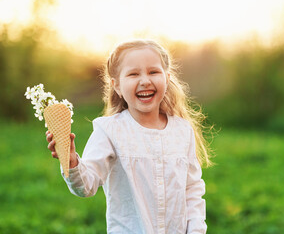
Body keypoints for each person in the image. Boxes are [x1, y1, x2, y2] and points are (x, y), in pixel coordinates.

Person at [46, 39, 212, 234]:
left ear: (166, 78)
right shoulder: (109, 130)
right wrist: (71, 160)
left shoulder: (182, 131)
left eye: (153, 72)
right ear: (117, 86)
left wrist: (196, 230)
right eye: (133, 74)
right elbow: (86, 186)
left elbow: (192, 190)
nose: (145, 80)